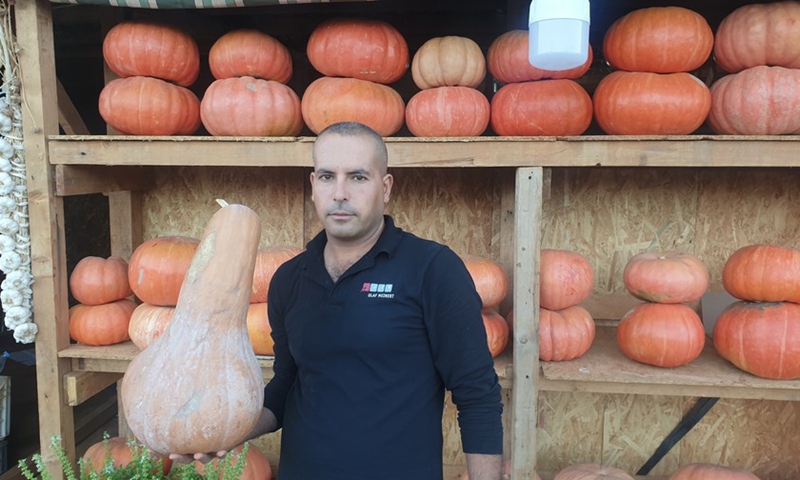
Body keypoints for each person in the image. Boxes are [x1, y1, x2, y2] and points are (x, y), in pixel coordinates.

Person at [172, 121, 504, 480]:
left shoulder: (433, 270)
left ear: (386, 187)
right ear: (313, 186)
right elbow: (288, 383)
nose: (340, 193)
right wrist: (224, 431)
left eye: (358, 177)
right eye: (328, 176)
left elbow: (477, 395)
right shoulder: (289, 280)